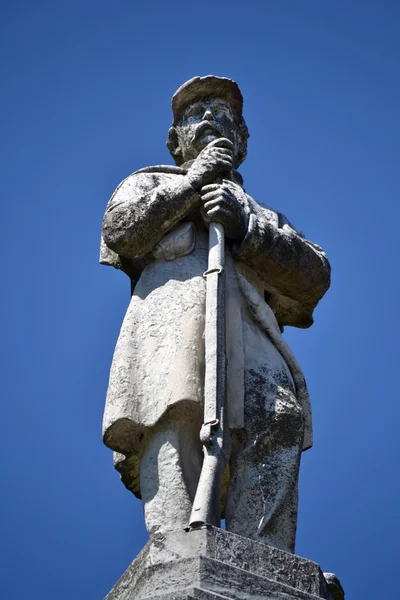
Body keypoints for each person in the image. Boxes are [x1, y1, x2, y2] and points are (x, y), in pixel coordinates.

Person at [100, 75, 330, 553]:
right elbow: (122, 231)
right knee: (175, 417)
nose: (208, 119)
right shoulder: (147, 182)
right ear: (175, 139)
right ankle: (174, 548)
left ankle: (261, 555)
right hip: (172, 328)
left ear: (241, 140)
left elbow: (313, 275)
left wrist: (247, 226)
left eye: (223, 114)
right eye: (194, 113)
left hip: (249, 331)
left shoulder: (262, 213)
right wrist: (191, 185)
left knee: (279, 418)